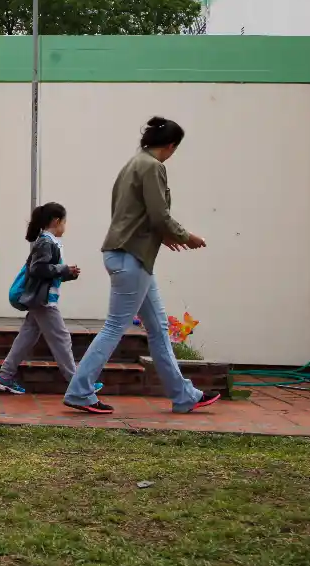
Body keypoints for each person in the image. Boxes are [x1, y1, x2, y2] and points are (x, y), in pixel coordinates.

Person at [63, 117, 221, 415]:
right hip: (130, 258)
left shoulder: (134, 164)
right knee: (114, 327)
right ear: (171, 146)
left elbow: (135, 214)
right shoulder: (153, 167)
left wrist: (162, 236)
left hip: (130, 256)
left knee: (159, 329)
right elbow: (159, 215)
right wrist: (189, 237)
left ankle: (184, 395)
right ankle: (80, 391)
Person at [0, 202, 101, 396]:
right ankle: (78, 384)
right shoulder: (46, 242)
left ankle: (5, 376)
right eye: (65, 222)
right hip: (44, 301)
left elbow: (47, 272)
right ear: (57, 221)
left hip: (40, 299)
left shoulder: (49, 241)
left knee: (27, 336)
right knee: (62, 338)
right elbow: (38, 269)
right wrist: (63, 269)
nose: (65, 227)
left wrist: (68, 273)